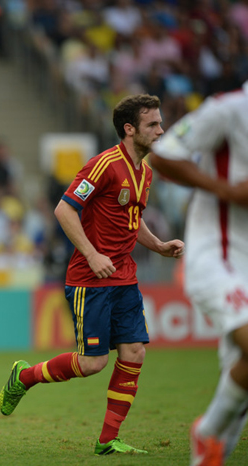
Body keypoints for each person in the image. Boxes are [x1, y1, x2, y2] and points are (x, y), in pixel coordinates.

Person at [0, 94, 185, 455]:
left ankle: (107, 439)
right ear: (130, 129)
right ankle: (23, 377)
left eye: (161, 123)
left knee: (134, 352)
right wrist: (92, 253)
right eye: (153, 125)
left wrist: (158, 245)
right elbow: (64, 209)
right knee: (93, 363)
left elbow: (132, 218)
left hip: (124, 277)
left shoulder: (144, 173)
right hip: (90, 279)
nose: (161, 130)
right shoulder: (104, 164)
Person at [149, 82, 248, 466]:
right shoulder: (228, 109)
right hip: (217, 255)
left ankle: (209, 445)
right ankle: (206, 433)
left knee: (239, 387)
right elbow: (162, 155)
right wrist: (224, 190)